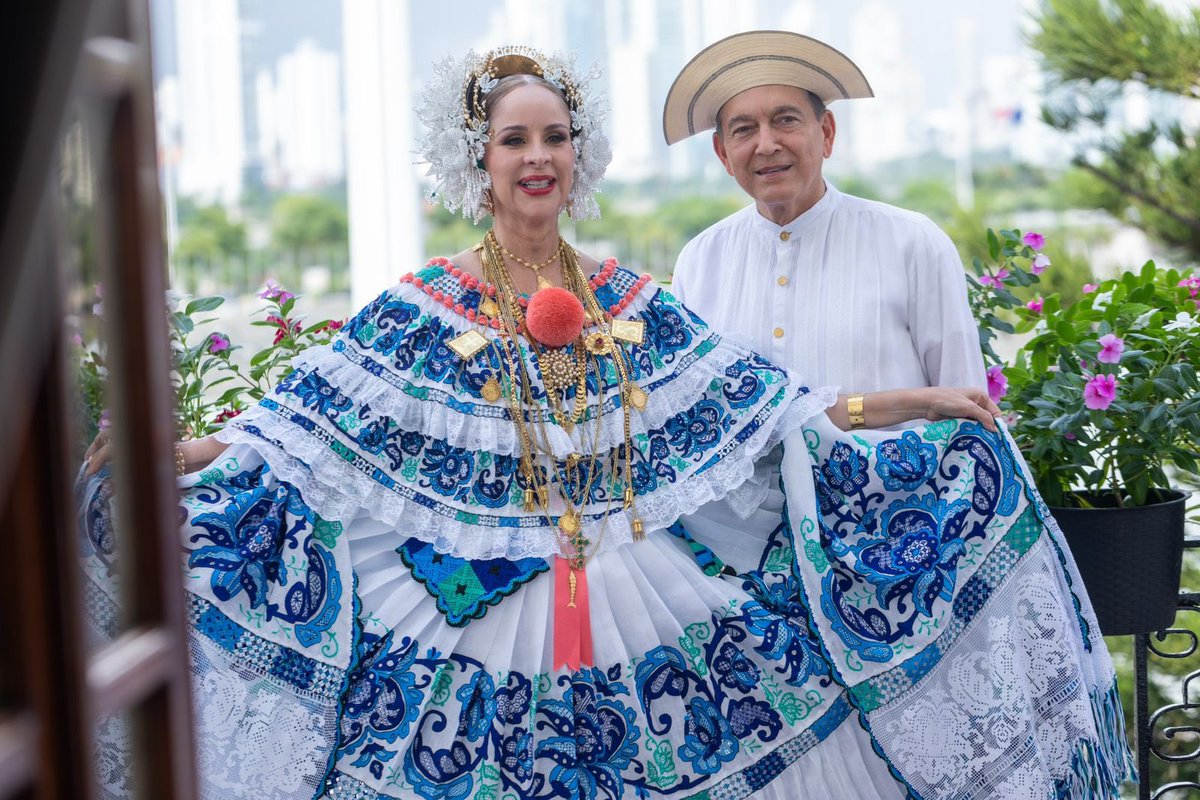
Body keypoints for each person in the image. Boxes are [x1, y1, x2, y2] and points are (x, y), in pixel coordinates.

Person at [79, 46, 1129, 800]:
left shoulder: (634, 296)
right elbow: (317, 426)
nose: (538, 157)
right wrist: (193, 447)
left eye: (556, 137)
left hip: (640, 600)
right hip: (472, 620)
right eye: (513, 140)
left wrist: (923, 405)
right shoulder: (420, 302)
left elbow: (771, 415)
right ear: (477, 160)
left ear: (579, 155)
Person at [664, 31, 985, 394]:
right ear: (723, 154)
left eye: (786, 120)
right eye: (744, 130)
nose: (767, 145)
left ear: (827, 132)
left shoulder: (912, 242)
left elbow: (965, 404)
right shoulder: (700, 261)